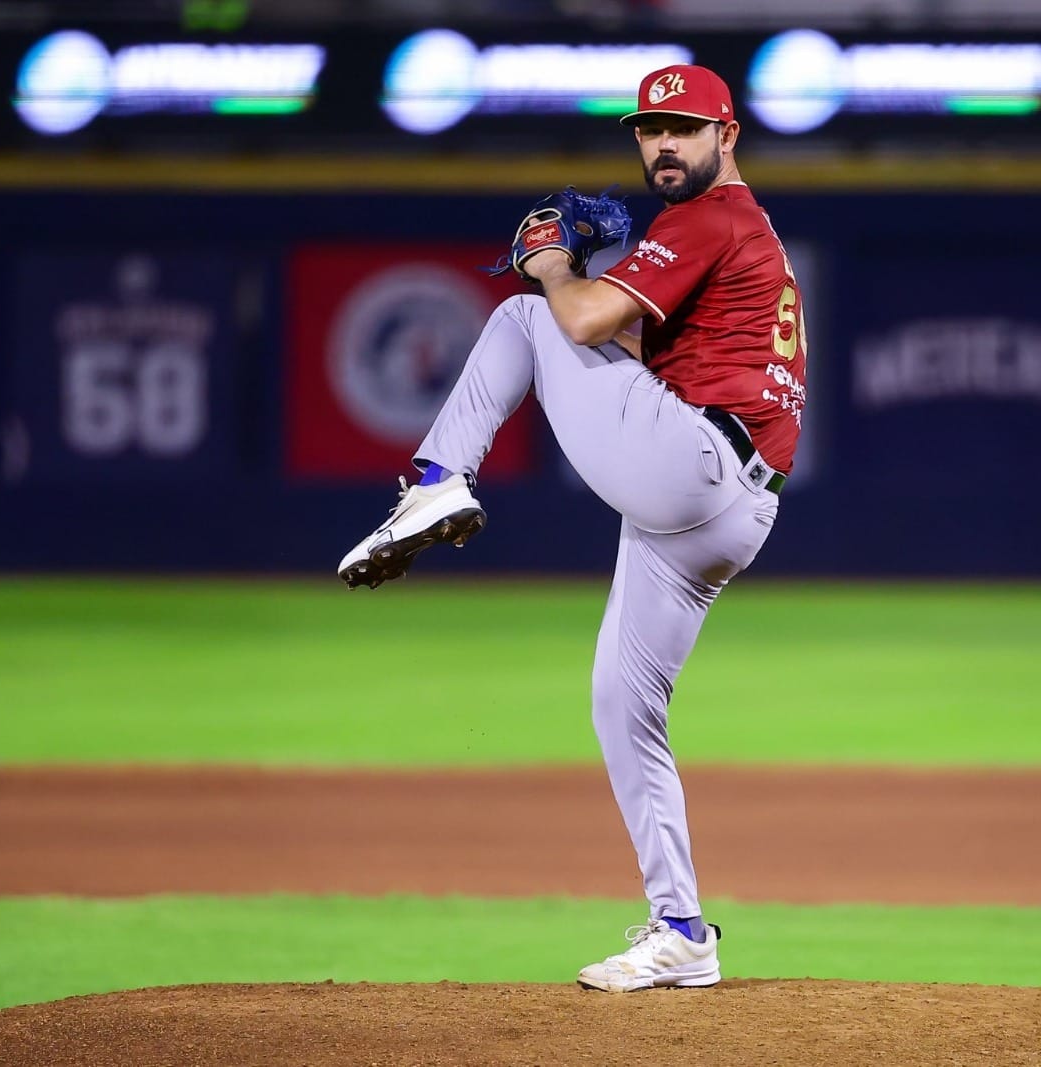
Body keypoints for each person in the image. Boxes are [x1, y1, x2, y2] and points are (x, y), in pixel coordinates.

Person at [337, 64, 808, 992]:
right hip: (730, 506)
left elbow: (579, 320)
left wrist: (554, 264)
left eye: (683, 128)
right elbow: (624, 341)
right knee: (622, 706)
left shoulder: (710, 218)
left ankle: (435, 481)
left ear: (727, 135)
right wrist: (583, 283)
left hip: (696, 462)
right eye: (649, 130)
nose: (663, 145)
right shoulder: (736, 232)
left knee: (524, 314)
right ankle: (683, 930)